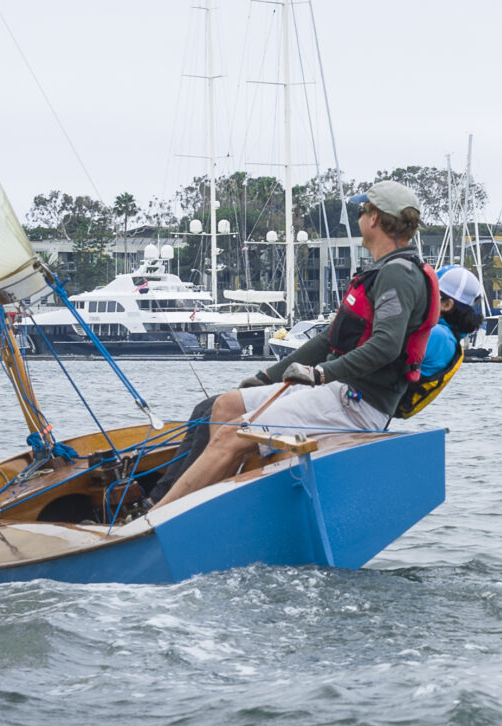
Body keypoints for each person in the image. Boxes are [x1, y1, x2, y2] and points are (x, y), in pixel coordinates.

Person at [155, 180, 439, 507]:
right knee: (226, 406)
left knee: (233, 432)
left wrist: (321, 374)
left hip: (359, 402)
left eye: (363, 211)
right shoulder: (384, 271)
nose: (359, 217)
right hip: (340, 391)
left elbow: (387, 345)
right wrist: (267, 377)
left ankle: (154, 519)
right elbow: (329, 339)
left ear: (374, 218)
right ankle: (197, 505)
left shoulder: (398, 275)